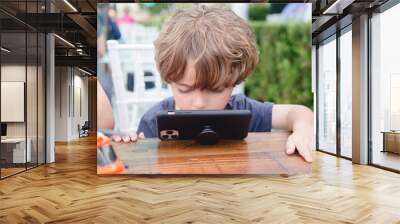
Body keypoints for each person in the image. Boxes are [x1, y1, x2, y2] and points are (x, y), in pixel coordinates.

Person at [111, 5, 314, 162]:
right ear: (169, 80)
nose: (198, 102)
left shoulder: (243, 110)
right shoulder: (153, 121)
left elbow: (298, 112)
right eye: (184, 89)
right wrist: (129, 146)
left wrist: (302, 131)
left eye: (215, 89)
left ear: (234, 82)